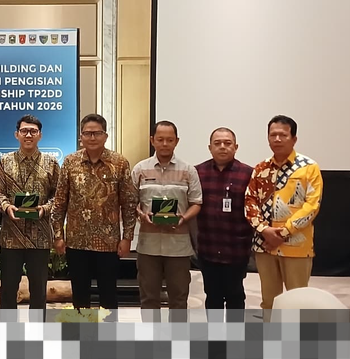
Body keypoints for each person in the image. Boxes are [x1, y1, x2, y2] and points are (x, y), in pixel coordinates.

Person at [51, 113, 137, 318]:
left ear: (105, 136)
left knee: (108, 294)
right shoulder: (70, 162)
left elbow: (129, 203)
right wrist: (58, 235)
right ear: (81, 136)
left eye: (97, 133)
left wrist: (127, 238)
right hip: (77, 241)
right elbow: (60, 201)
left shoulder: (119, 163)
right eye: (87, 133)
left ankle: (108, 334)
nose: (92, 137)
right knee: (80, 295)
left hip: (108, 242)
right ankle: (82, 334)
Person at [245, 115, 323, 317]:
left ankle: (295, 338)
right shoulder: (260, 168)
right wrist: (264, 230)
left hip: (296, 246)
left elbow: (312, 205)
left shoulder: (308, 167)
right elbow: (249, 201)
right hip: (264, 245)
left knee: (297, 302)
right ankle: (270, 336)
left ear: (294, 139)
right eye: (273, 135)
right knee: (269, 301)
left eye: (283, 135)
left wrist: (283, 232)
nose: (277, 139)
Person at [131, 121, 202, 322]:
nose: (164, 144)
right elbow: (130, 202)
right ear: (152, 140)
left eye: (169, 140)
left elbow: (197, 202)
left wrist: (184, 218)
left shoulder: (188, 170)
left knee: (179, 298)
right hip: (148, 246)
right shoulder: (140, 169)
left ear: (176, 141)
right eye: (160, 139)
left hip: (178, 247)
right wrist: (142, 215)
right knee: (148, 298)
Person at [0, 115, 60, 319]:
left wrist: (45, 209)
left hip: (40, 237)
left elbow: (58, 195)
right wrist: (6, 206)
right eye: (24, 131)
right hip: (11, 237)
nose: (28, 135)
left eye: (33, 131)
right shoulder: (5, 161)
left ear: (40, 135)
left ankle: (37, 332)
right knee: (8, 290)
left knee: (38, 291)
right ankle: (8, 331)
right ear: (17, 135)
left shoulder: (51, 162)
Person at [195, 127, 253, 322]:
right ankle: (215, 337)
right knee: (212, 296)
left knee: (235, 295)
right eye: (217, 143)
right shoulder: (198, 172)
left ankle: (235, 338)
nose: (222, 147)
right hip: (208, 247)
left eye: (227, 143)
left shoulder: (248, 174)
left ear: (236, 147)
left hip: (236, 249)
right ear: (209, 147)